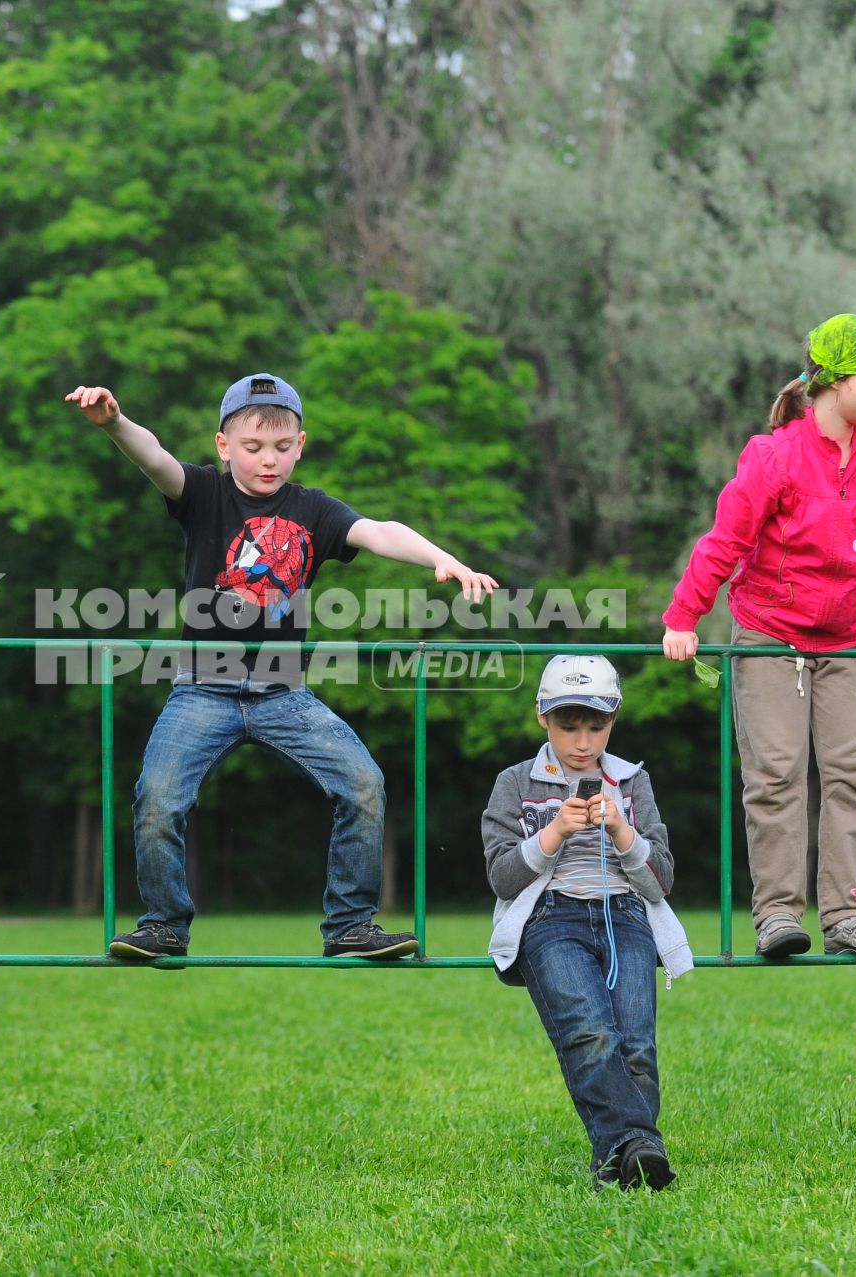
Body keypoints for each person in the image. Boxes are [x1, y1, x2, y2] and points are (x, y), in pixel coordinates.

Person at [66, 374, 497, 960]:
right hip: (202, 688)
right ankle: (163, 925)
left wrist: (442, 559)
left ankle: (349, 926)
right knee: (158, 796)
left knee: (364, 784)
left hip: (283, 692)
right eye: (252, 447)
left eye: (281, 446)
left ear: (300, 444)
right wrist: (114, 422)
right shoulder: (203, 495)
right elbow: (155, 459)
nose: (268, 460)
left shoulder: (313, 510)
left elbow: (379, 531)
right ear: (224, 447)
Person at [661, 314, 856, 960]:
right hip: (770, 632)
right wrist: (684, 616)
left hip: (849, 636)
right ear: (832, 380)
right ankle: (775, 912)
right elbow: (726, 541)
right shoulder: (775, 456)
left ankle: (847, 911)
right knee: (775, 772)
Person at [481, 655, 692, 1190]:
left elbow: (661, 880)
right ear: (542, 720)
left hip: (626, 916)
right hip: (550, 919)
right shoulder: (514, 782)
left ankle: (618, 1162)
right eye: (568, 727)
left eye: (596, 728)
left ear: (613, 722)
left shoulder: (632, 783)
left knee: (637, 1046)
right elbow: (503, 878)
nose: (582, 742)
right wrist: (550, 835)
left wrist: (623, 833)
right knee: (590, 1033)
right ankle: (639, 1147)